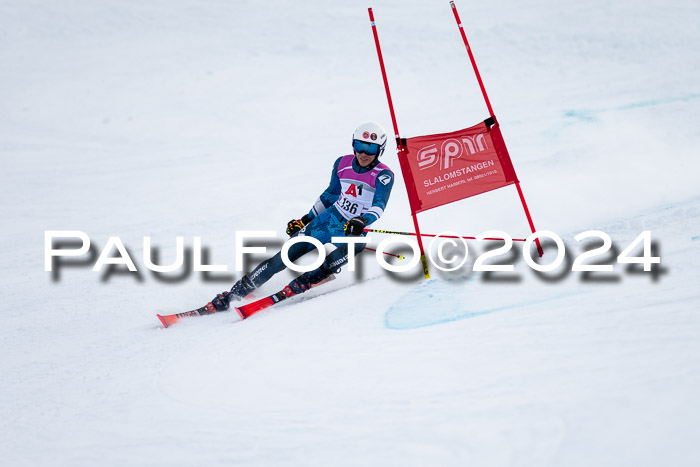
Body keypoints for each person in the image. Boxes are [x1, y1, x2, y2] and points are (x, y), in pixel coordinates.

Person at [210, 121, 395, 311]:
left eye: (370, 148)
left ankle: (311, 279)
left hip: (351, 229)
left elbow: (379, 205)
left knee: (356, 246)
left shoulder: (384, 175)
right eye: (359, 146)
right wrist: (305, 220)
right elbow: (330, 195)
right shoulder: (342, 163)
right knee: (281, 258)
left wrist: (362, 220)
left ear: (380, 149)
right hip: (329, 219)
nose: (363, 153)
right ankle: (237, 292)